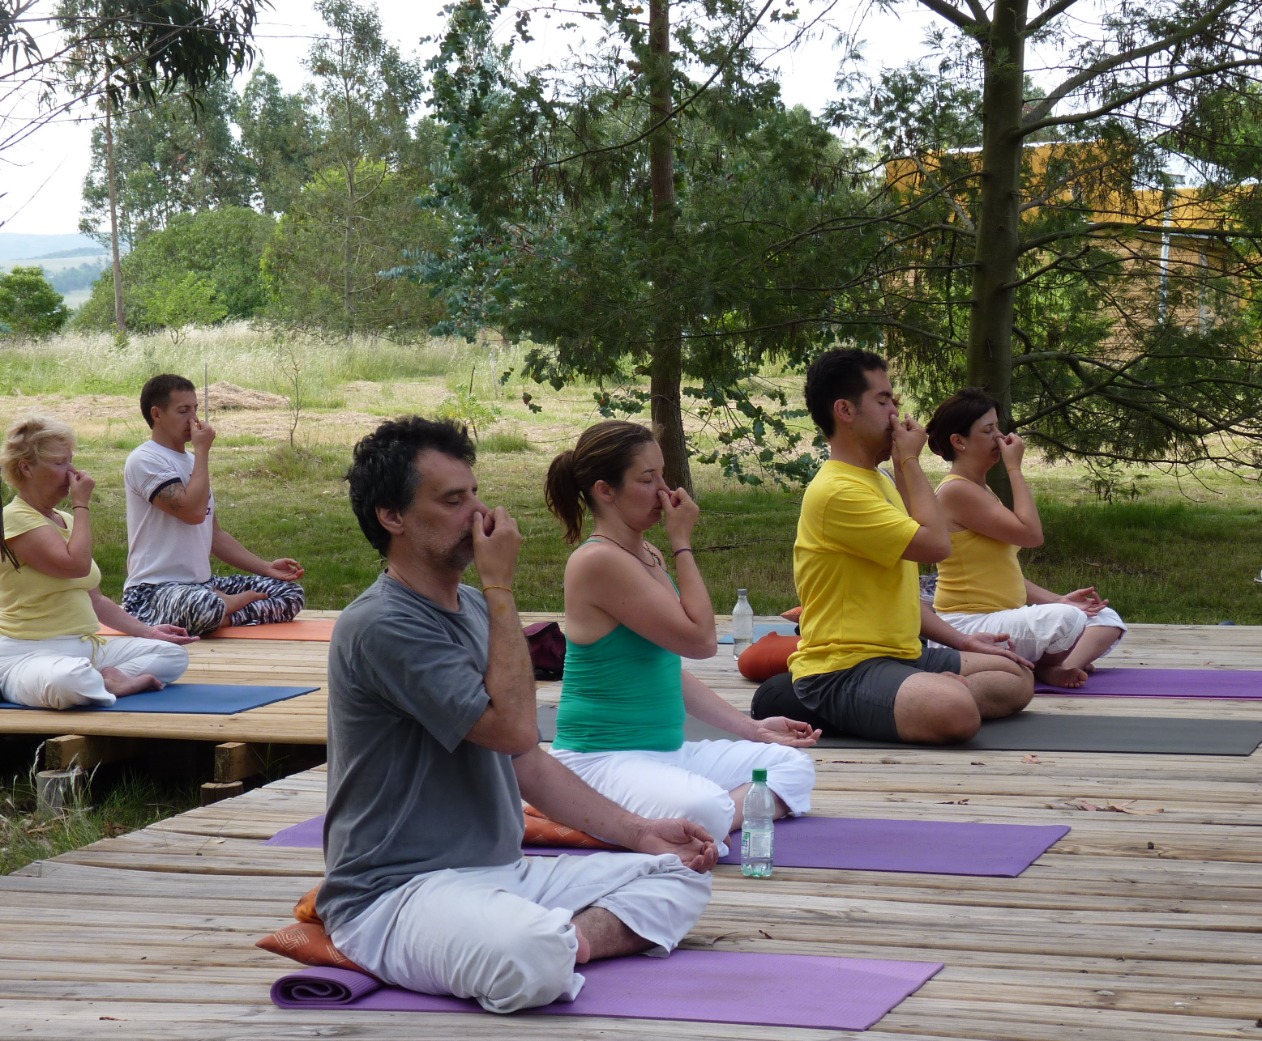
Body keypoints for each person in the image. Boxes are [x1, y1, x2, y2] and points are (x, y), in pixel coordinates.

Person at [322, 415, 715, 1015]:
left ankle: (569, 941)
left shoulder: (476, 608)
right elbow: (513, 729)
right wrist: (501, 587)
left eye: (475, 493)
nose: (479, 514)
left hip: (503, 872)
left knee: (678, 871)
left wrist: (640, 833)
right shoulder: (381, 624)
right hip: (394, 892)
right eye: (453, 501)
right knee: (528, 952)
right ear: (392, 516)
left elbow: (526, 759)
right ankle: (547, 942)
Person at [544, 420, 817, 853]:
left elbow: (667, 670)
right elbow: (702, 642)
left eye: (663, 475)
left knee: (790, 764)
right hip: (601, 760)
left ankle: (688, 825)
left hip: (667, 753)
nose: (664, 491)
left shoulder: (645, 553)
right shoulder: (597, 561)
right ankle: (698, 820)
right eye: (647, 479)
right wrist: (682, 543)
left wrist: (752, 729)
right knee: (705, 807)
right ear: (605, 490)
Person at [783, 348, 1034, 744]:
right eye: (883, 401)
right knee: (955, 711)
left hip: (903, 655)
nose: (896, 413)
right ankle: (932, 697)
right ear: (845, 410)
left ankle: (927, 694)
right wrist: (910, 461)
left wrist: (963, 640)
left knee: (1016, 675)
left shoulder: (877, 479)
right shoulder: (838, 492)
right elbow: (937, 546)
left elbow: (900, 593)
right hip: (843, 668)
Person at [925, 387, 1128, 688]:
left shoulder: (979, 489)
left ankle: (1057, 667)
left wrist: (1058, 599)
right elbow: (1032, 535)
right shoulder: (956, 490)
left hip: (1005, 617)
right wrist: (1014, 469)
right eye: (988, 430)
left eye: (998, 427)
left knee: (1104, 617)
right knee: (1068, 619)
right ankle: (1048, 663)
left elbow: (1002, 573)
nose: (1000, 437)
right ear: (959, 441)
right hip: (968, 626)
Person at [0, 416, 193, 709]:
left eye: (71, 461)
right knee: (67, 680)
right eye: (60, 463)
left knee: (171, 655)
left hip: (86, 647)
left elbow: (96, 599)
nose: (72, 472)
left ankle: (106, 679)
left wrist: (149, 631)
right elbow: (75, 566)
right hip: (28, 653)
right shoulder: (14, 519)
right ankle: (99, 681)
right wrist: (82, 504)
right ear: (26, 468)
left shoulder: (65, 521)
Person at [121, 373, 305, 635]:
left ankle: (224, 613)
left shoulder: (192, 462)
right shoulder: (144, 459)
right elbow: (193, 512)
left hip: (203, 586)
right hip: (153, 591)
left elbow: (214, 535)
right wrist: (202, 452)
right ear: (157, 414)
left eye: (195, 409)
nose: (194, 419)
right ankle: (220, 608)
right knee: (202, 605)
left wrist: (266, 567)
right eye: (183, 411)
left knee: (289, 592)